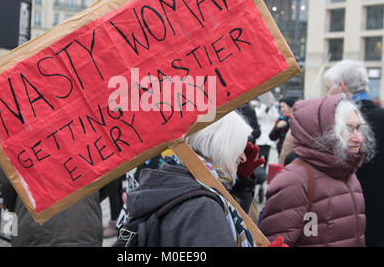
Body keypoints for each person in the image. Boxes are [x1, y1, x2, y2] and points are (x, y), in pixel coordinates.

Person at [125, 112, 278, 247]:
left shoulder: (179, 177)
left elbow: (232, 224)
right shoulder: (203, 207)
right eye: (238, 147)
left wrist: (241, 186)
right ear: (221, 145)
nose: (244, 157)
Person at [259, 94, 372, 246]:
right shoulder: (294, 181)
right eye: (348, 129)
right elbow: (275, 240)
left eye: (358, 128)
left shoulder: (348, 174)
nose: (359, 138)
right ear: (323, 132)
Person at [323, 59, 384, 247]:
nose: (327, 94)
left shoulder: (332, 124)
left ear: (342, 86)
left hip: (344, 222)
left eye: (329, 88)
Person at [0, 168, 114, 247]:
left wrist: (17, 208)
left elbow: (7, 184)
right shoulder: (91, 134)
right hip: (84, 227)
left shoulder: (16, 136)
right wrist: (89, 199)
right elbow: (110, 175)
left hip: (32, 229)